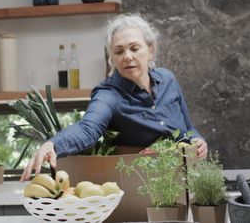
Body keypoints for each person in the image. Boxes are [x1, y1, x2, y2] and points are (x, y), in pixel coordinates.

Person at [20, 14, 208, 181]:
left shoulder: (168, 79)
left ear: (151, 50)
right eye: (119, 51)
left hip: (184, 182)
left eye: (134, 48)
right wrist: (53, 144)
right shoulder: (108, 94)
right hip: (140, 187)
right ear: (111, 58)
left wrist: (198, 142)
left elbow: (188, 129)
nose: (127, 56)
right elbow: (88, 129)